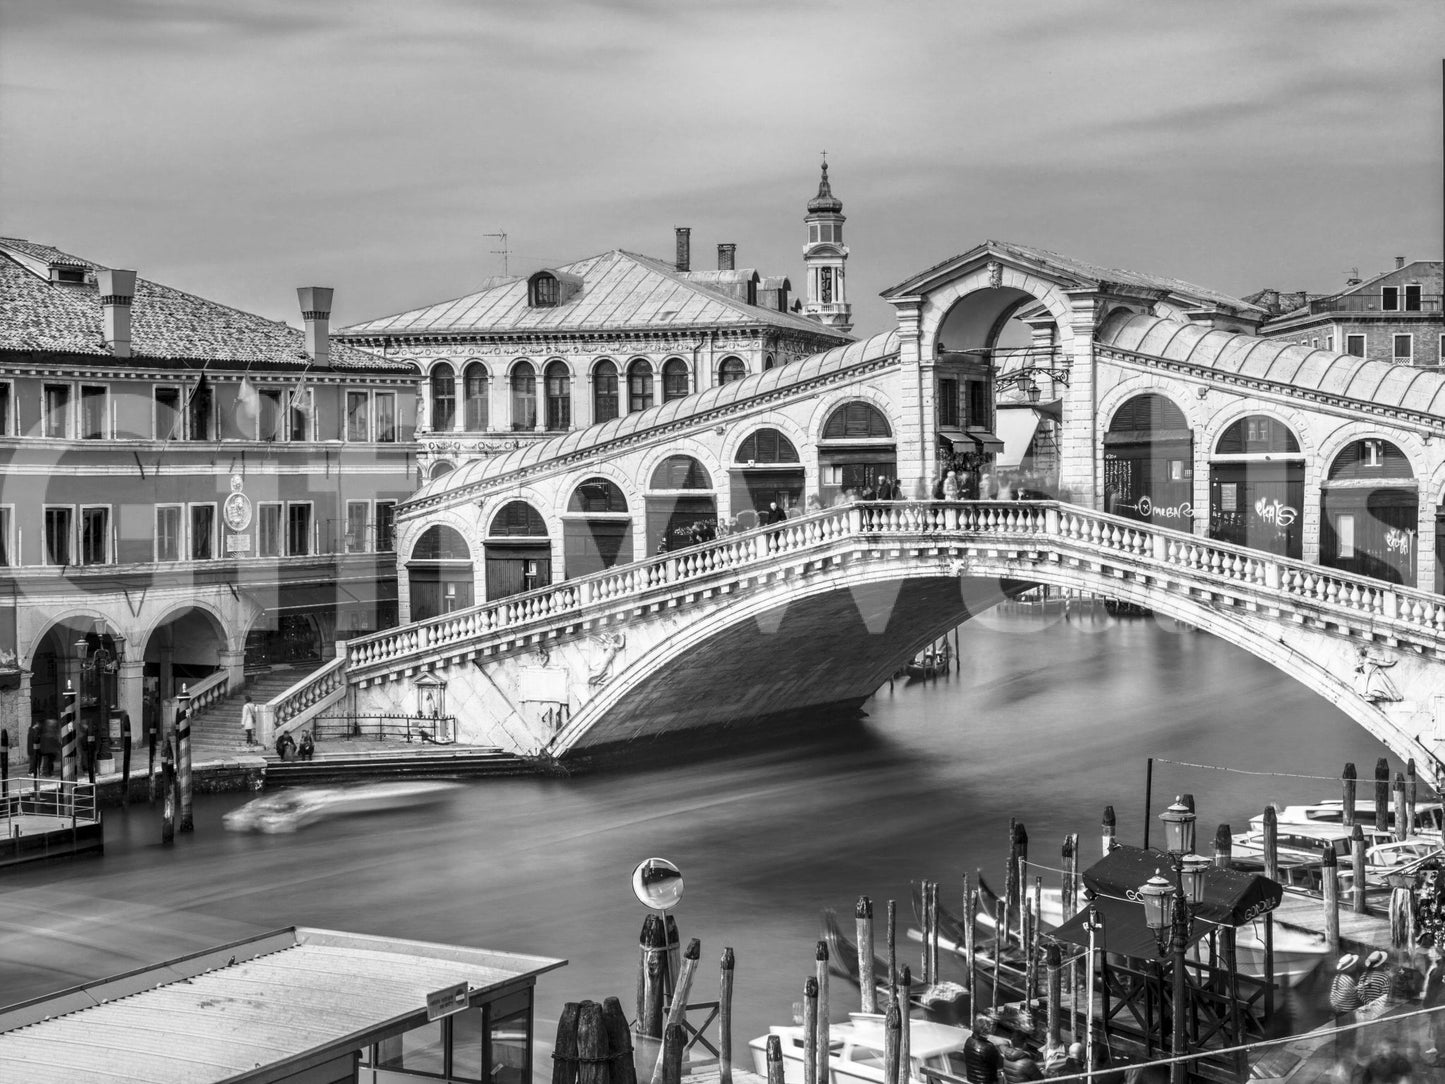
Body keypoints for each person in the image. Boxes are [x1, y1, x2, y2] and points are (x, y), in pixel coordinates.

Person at [963, 1015, 1003, 1084]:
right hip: (987, 1081)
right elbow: (999, 1063)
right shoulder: (988, 1047)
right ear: (985, 1031)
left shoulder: (968, 1041)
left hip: (971, 1079)